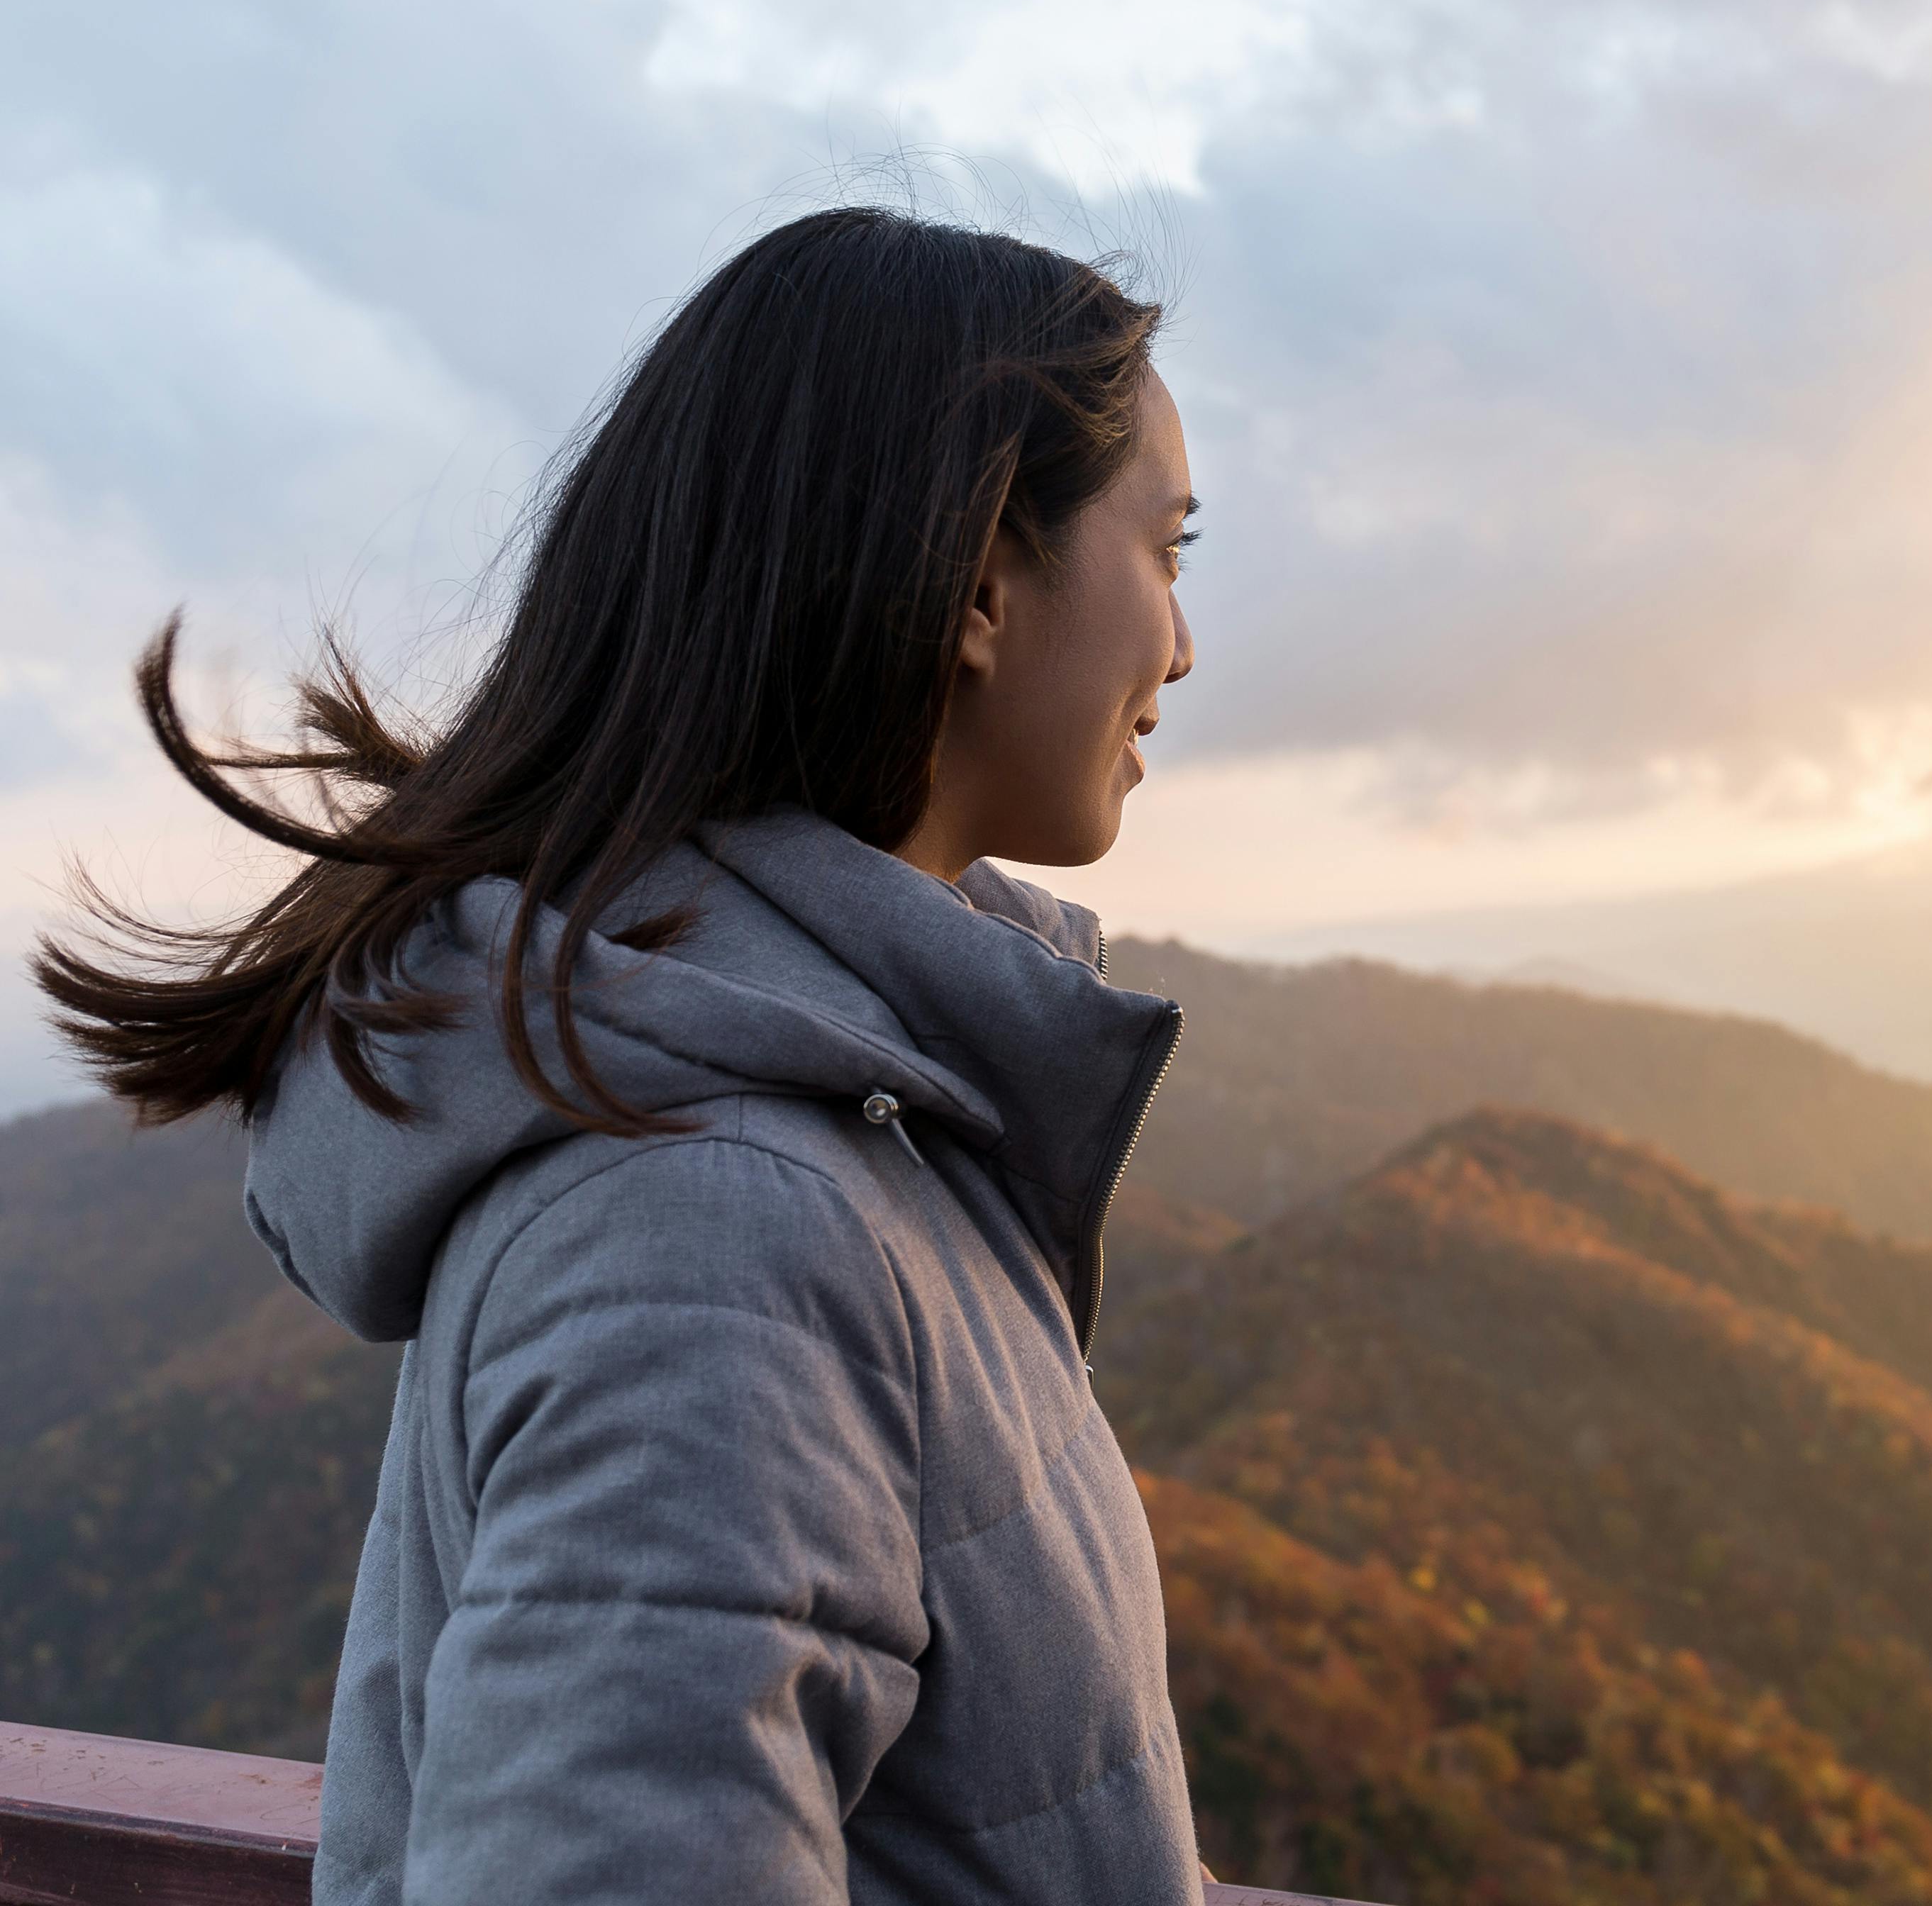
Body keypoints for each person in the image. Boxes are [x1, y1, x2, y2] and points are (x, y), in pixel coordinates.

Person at [33, 208, 1210, 1905]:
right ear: (976, 578)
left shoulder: (829, 1132)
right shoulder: (720, 1230)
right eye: (1169, 549)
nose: (1180, 644)